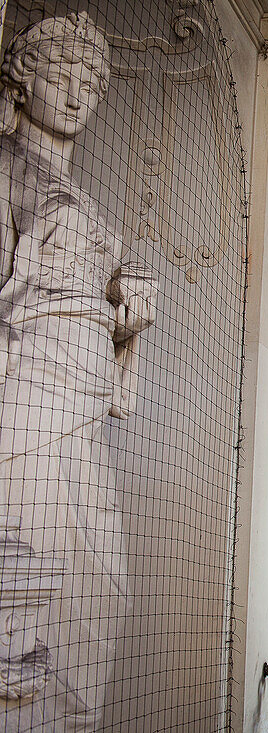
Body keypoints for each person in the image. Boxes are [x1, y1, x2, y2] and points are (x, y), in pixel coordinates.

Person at [0, 13, 157, 731]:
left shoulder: (88, 201)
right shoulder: (4, 167)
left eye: (90, 84)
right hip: (26, 398)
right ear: (21, 82)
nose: (77, 95)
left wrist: (129, 313)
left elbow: (99, 316)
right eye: (61, 77)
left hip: (83, 404)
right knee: (24, 575)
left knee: (101, 582)